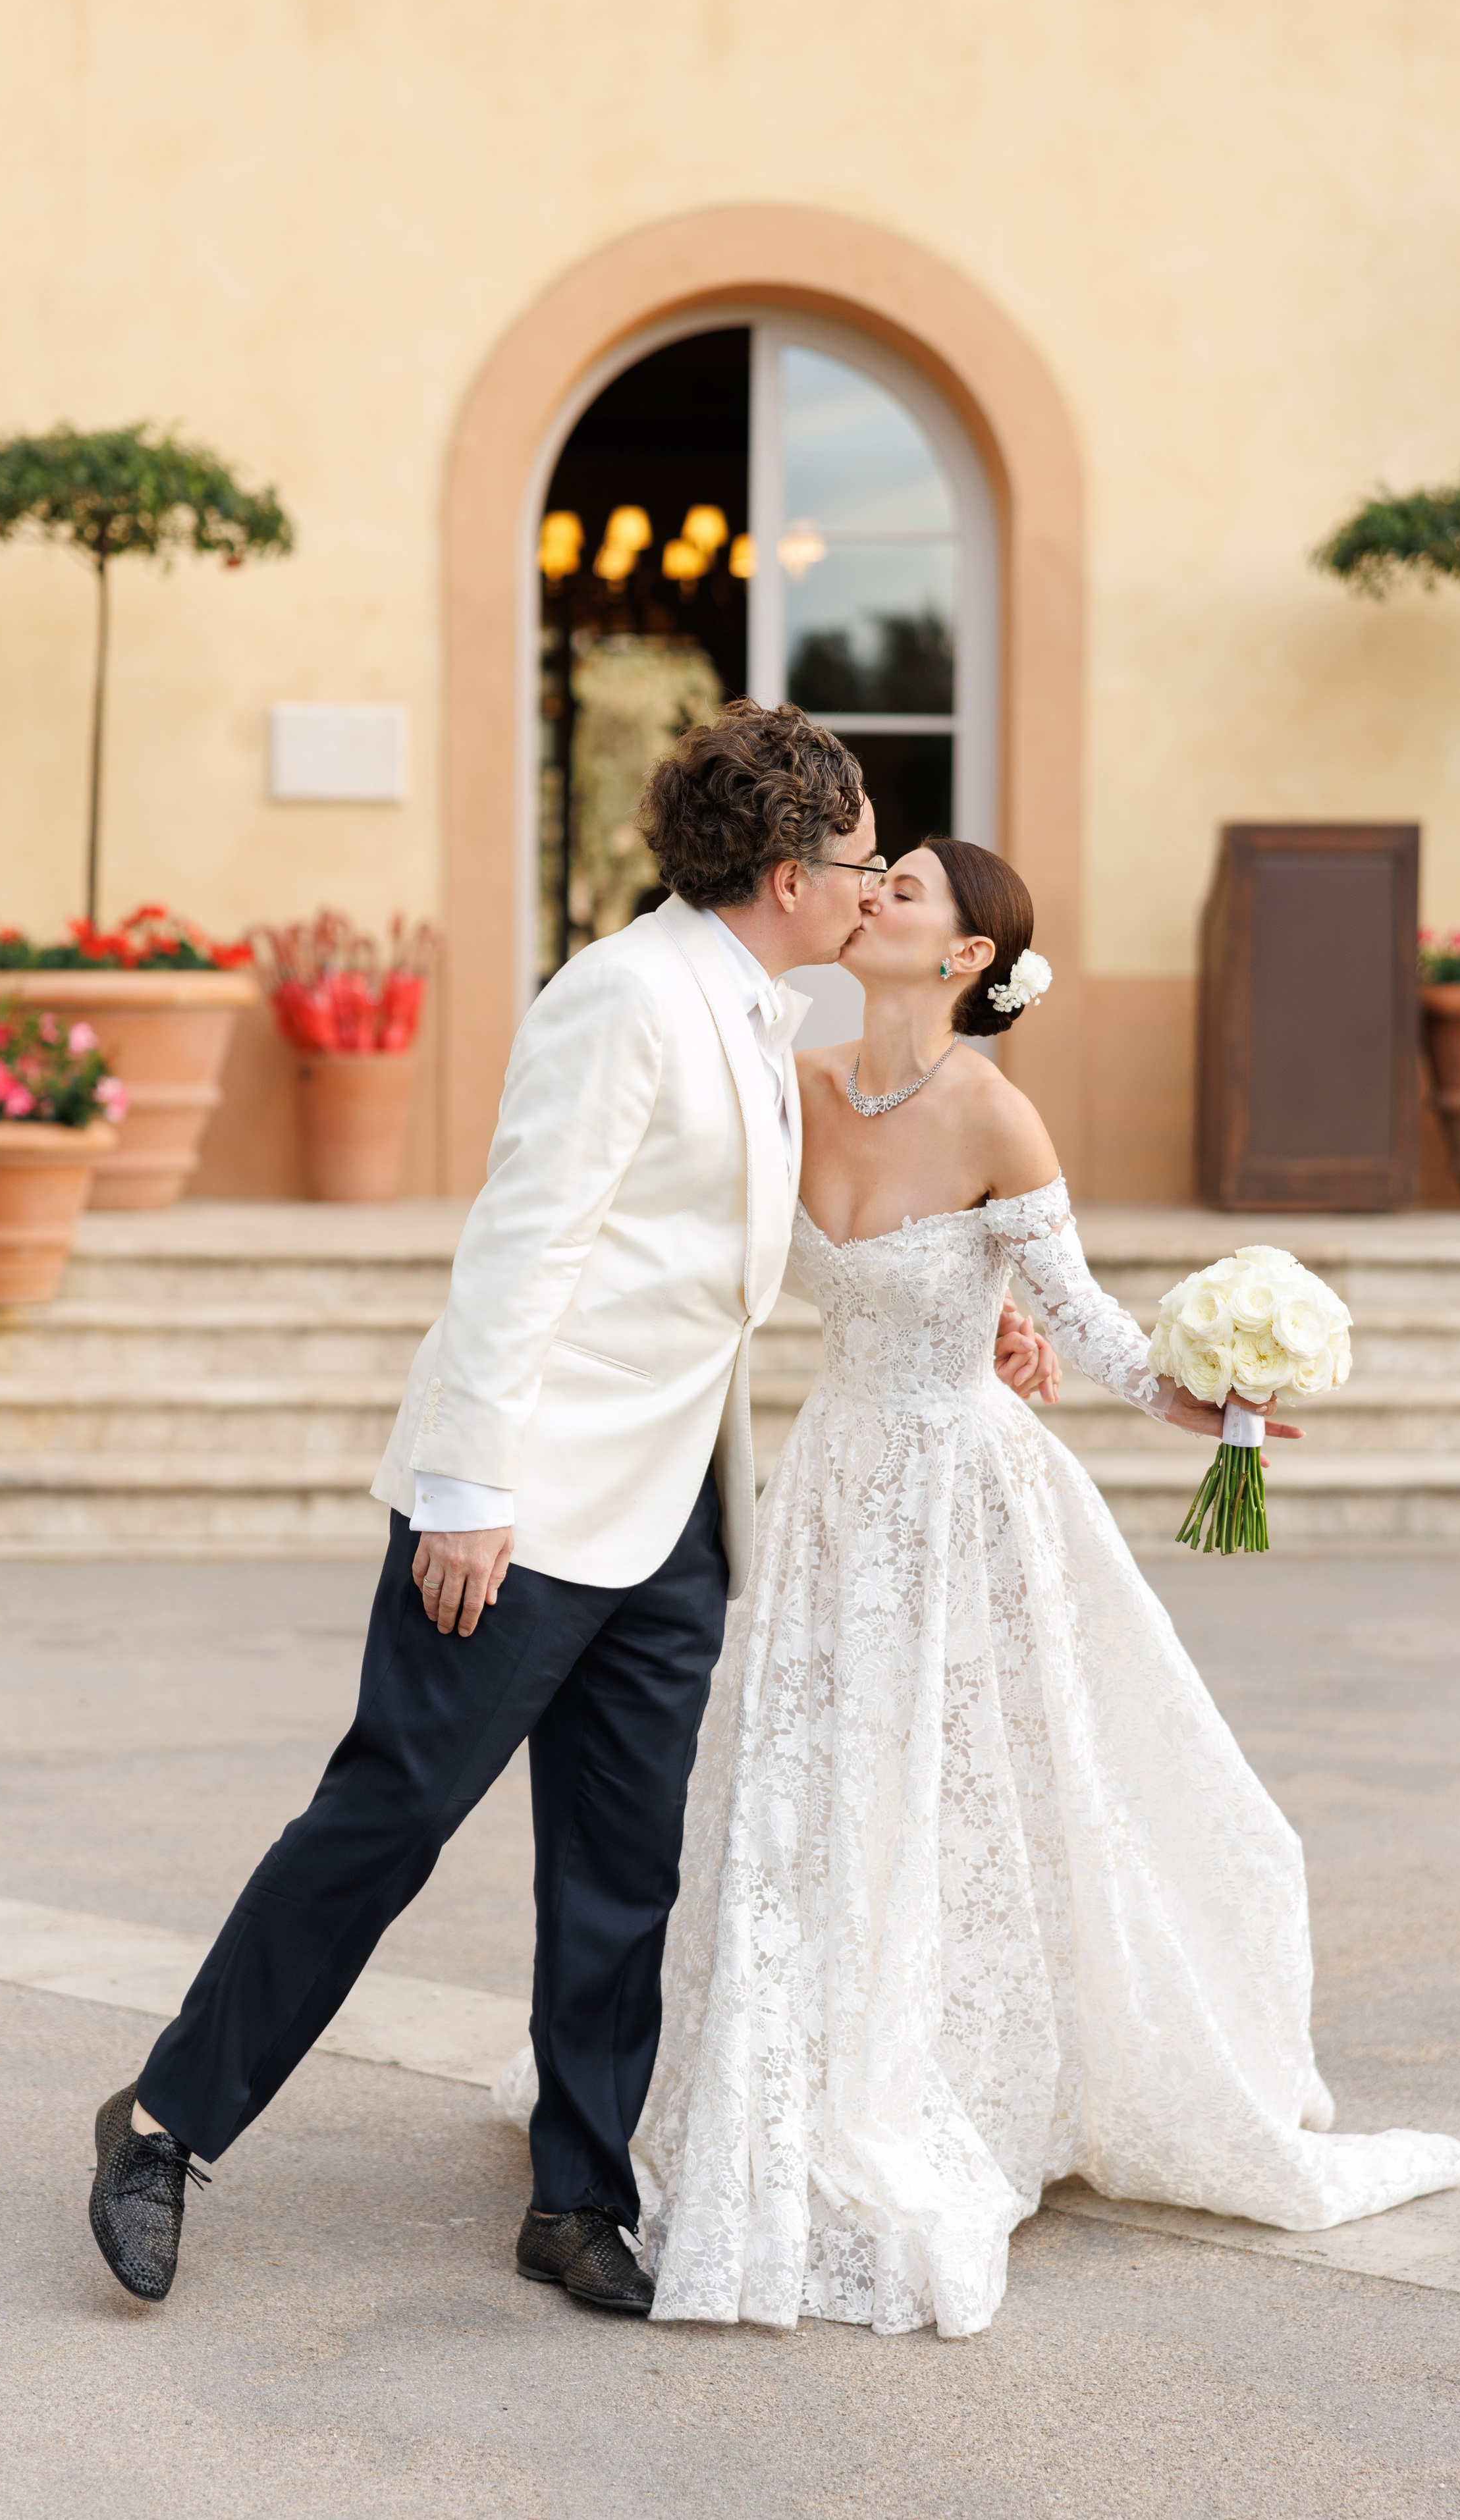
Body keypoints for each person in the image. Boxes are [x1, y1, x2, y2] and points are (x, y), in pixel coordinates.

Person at [85, 705, 1046, 2316]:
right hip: (521, 1510)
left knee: (619, 1867)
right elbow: (519, 1247)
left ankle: (579, 2192)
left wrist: (987, 1310)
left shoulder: (762, 1014)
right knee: (387, 1818)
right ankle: (163, 2121)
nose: (873, 883)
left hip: (677, 1518)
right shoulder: (622, 994)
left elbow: (803, 1229)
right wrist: (468, 1492)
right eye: (860, 858)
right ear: (784, 872)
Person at [611, 835, 1460, 2339]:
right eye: (877, 875)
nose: (872, 890)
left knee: (975, 1788)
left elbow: (1083, 1315)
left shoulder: (997, 1115)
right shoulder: (786, 1083)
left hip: (964, 1497)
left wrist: (1211, 1401)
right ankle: (788, 2059)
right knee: (812, 1783)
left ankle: (967, 2063)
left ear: (963, 957)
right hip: (828, 1491)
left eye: (905, 887)